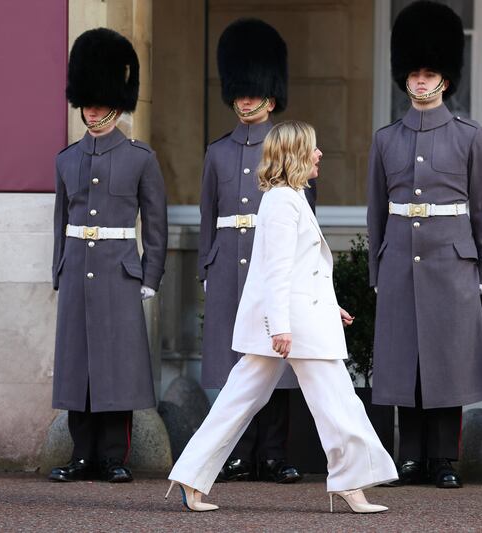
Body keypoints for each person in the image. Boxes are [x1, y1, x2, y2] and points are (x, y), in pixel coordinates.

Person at [166, 121, 397, 513]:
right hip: (292, 326)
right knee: (337, 403)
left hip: (298, 319)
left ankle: (190, 477)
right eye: (313, 148)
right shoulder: (282, 201)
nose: (320, 154)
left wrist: (329, 305)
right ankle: (349, 484)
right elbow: (275, 270)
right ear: (294, 155)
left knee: (243, 401)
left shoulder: (288, 198)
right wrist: (281, 327)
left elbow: (303, 269)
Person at [367, 0, 482, 489]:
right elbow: (377, 211)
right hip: (400, 262)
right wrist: (377, 272)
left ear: (445, 78)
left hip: (452, 264)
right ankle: (411, 457)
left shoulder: (469, 138)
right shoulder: (386, 140)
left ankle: (444, 458)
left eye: (429, 73)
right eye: (414, 74)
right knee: (406, 362)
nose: (421, 81)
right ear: (404, 77)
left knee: (447, 362)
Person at [49, 28, 168, 483]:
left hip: (120, 271)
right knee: (78, 364)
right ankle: (83, 455)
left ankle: (115, 456)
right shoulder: (67, 159)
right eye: (88, 103)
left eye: (100, 103)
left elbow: (155, 224)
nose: (92, 110)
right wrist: (59, 269)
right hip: (78, 268)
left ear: (117, 104)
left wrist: (150, 276)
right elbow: (61, 220)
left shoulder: (141, 158)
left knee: (117, 365)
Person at [198, 18, 314, 485]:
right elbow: (209, 214)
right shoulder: (217, 152)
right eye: (240, 92)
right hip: (229, 263)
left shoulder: (289, 148)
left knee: (277, 362)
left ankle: (273, 453)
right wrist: (208, 265)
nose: (245, 100)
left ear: (270, 93)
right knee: (235, 363)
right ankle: (239, 453)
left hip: (272, 264)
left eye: (253, 92)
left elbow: (306, 220)